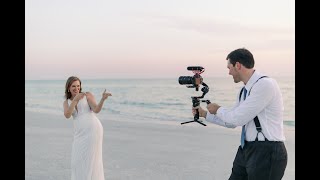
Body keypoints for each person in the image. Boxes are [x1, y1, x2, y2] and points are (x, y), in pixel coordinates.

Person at [194, 48, 287, 180]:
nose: (229, 72)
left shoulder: (265, 85)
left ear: (238, 65)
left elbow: (238, 118)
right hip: (246, 148)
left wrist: (218, 109)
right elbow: (231, 122)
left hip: (267, 151)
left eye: (229, 67)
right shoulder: (244, 91)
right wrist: (204, 114)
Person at [63, 76, 112, 180]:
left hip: (93, 130)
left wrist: (102, 99)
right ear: (68, 88)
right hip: (80, 134)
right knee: (77, 161)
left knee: (92, 160)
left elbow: (96, 109)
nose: (76, 88)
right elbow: (67, 115)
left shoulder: (87, 95)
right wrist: (75, 100)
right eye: (73, 86)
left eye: (78, 86)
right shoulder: (66, 102)